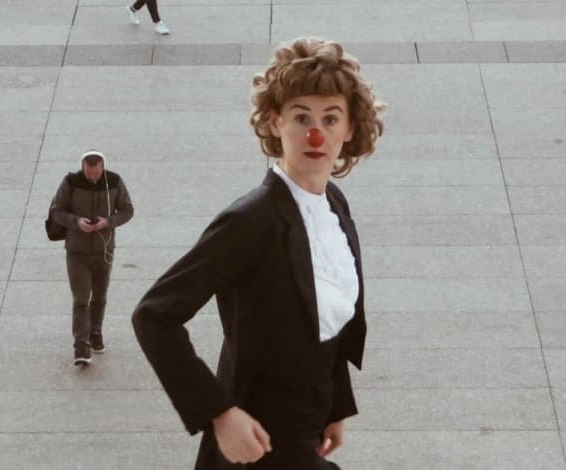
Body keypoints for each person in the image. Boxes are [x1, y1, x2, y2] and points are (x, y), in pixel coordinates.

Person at [132, 37, 384, 469]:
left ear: (349, 129)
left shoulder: (334, 204)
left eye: (330, 118)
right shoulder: (252, 220)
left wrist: (337, 404)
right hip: (260, 437)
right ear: (274, 122)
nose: (316, 134)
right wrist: (219, 413)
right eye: (301, 117)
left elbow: (325, 321)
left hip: (306, 427)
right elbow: (154, 315)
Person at [50, 150, 134, 366]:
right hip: (77, 251)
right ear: (83, 167)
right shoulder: (70, 182)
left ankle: (95, 333)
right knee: (81, 299)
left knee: (100, 296)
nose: (94, 178)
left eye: (97, 174)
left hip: (104, 250)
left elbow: (127, 210)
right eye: (89, 174)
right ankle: (81, 346)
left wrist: (108, 222)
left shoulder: (114, 181)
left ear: (102, 168)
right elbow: (57, 211)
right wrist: (77, 222)